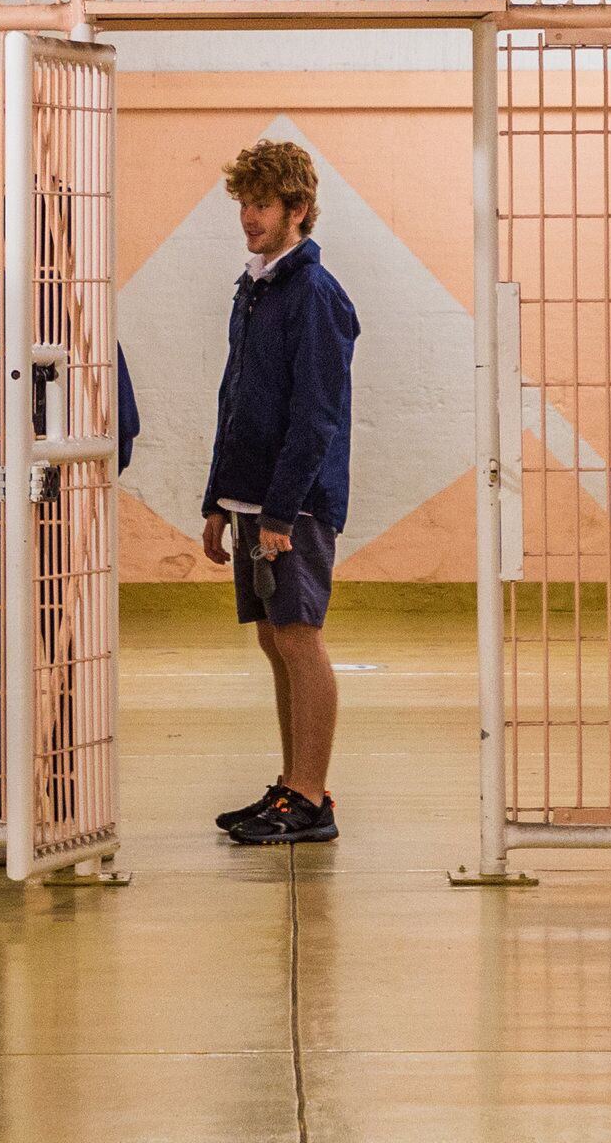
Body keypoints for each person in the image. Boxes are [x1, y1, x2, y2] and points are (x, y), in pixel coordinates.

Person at [0, 209, 141, 828]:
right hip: (64, 515)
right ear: (63, 242)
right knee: (68, 662)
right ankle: (65, 810)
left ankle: (0, 813)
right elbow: (125, 426)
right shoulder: (80, 318)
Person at [200, 138, 359, 846]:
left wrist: (280, 510)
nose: (248, 217)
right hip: (251, 502)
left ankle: (310, 797)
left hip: (290, 507)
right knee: (273, 639)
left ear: (298, 209)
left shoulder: (315, 296)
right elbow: (235, 396)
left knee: (300, 639)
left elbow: (314, 415)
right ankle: (293, 783)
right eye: (242, 204)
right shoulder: (256, 286)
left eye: (261, 204)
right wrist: (218, 499)